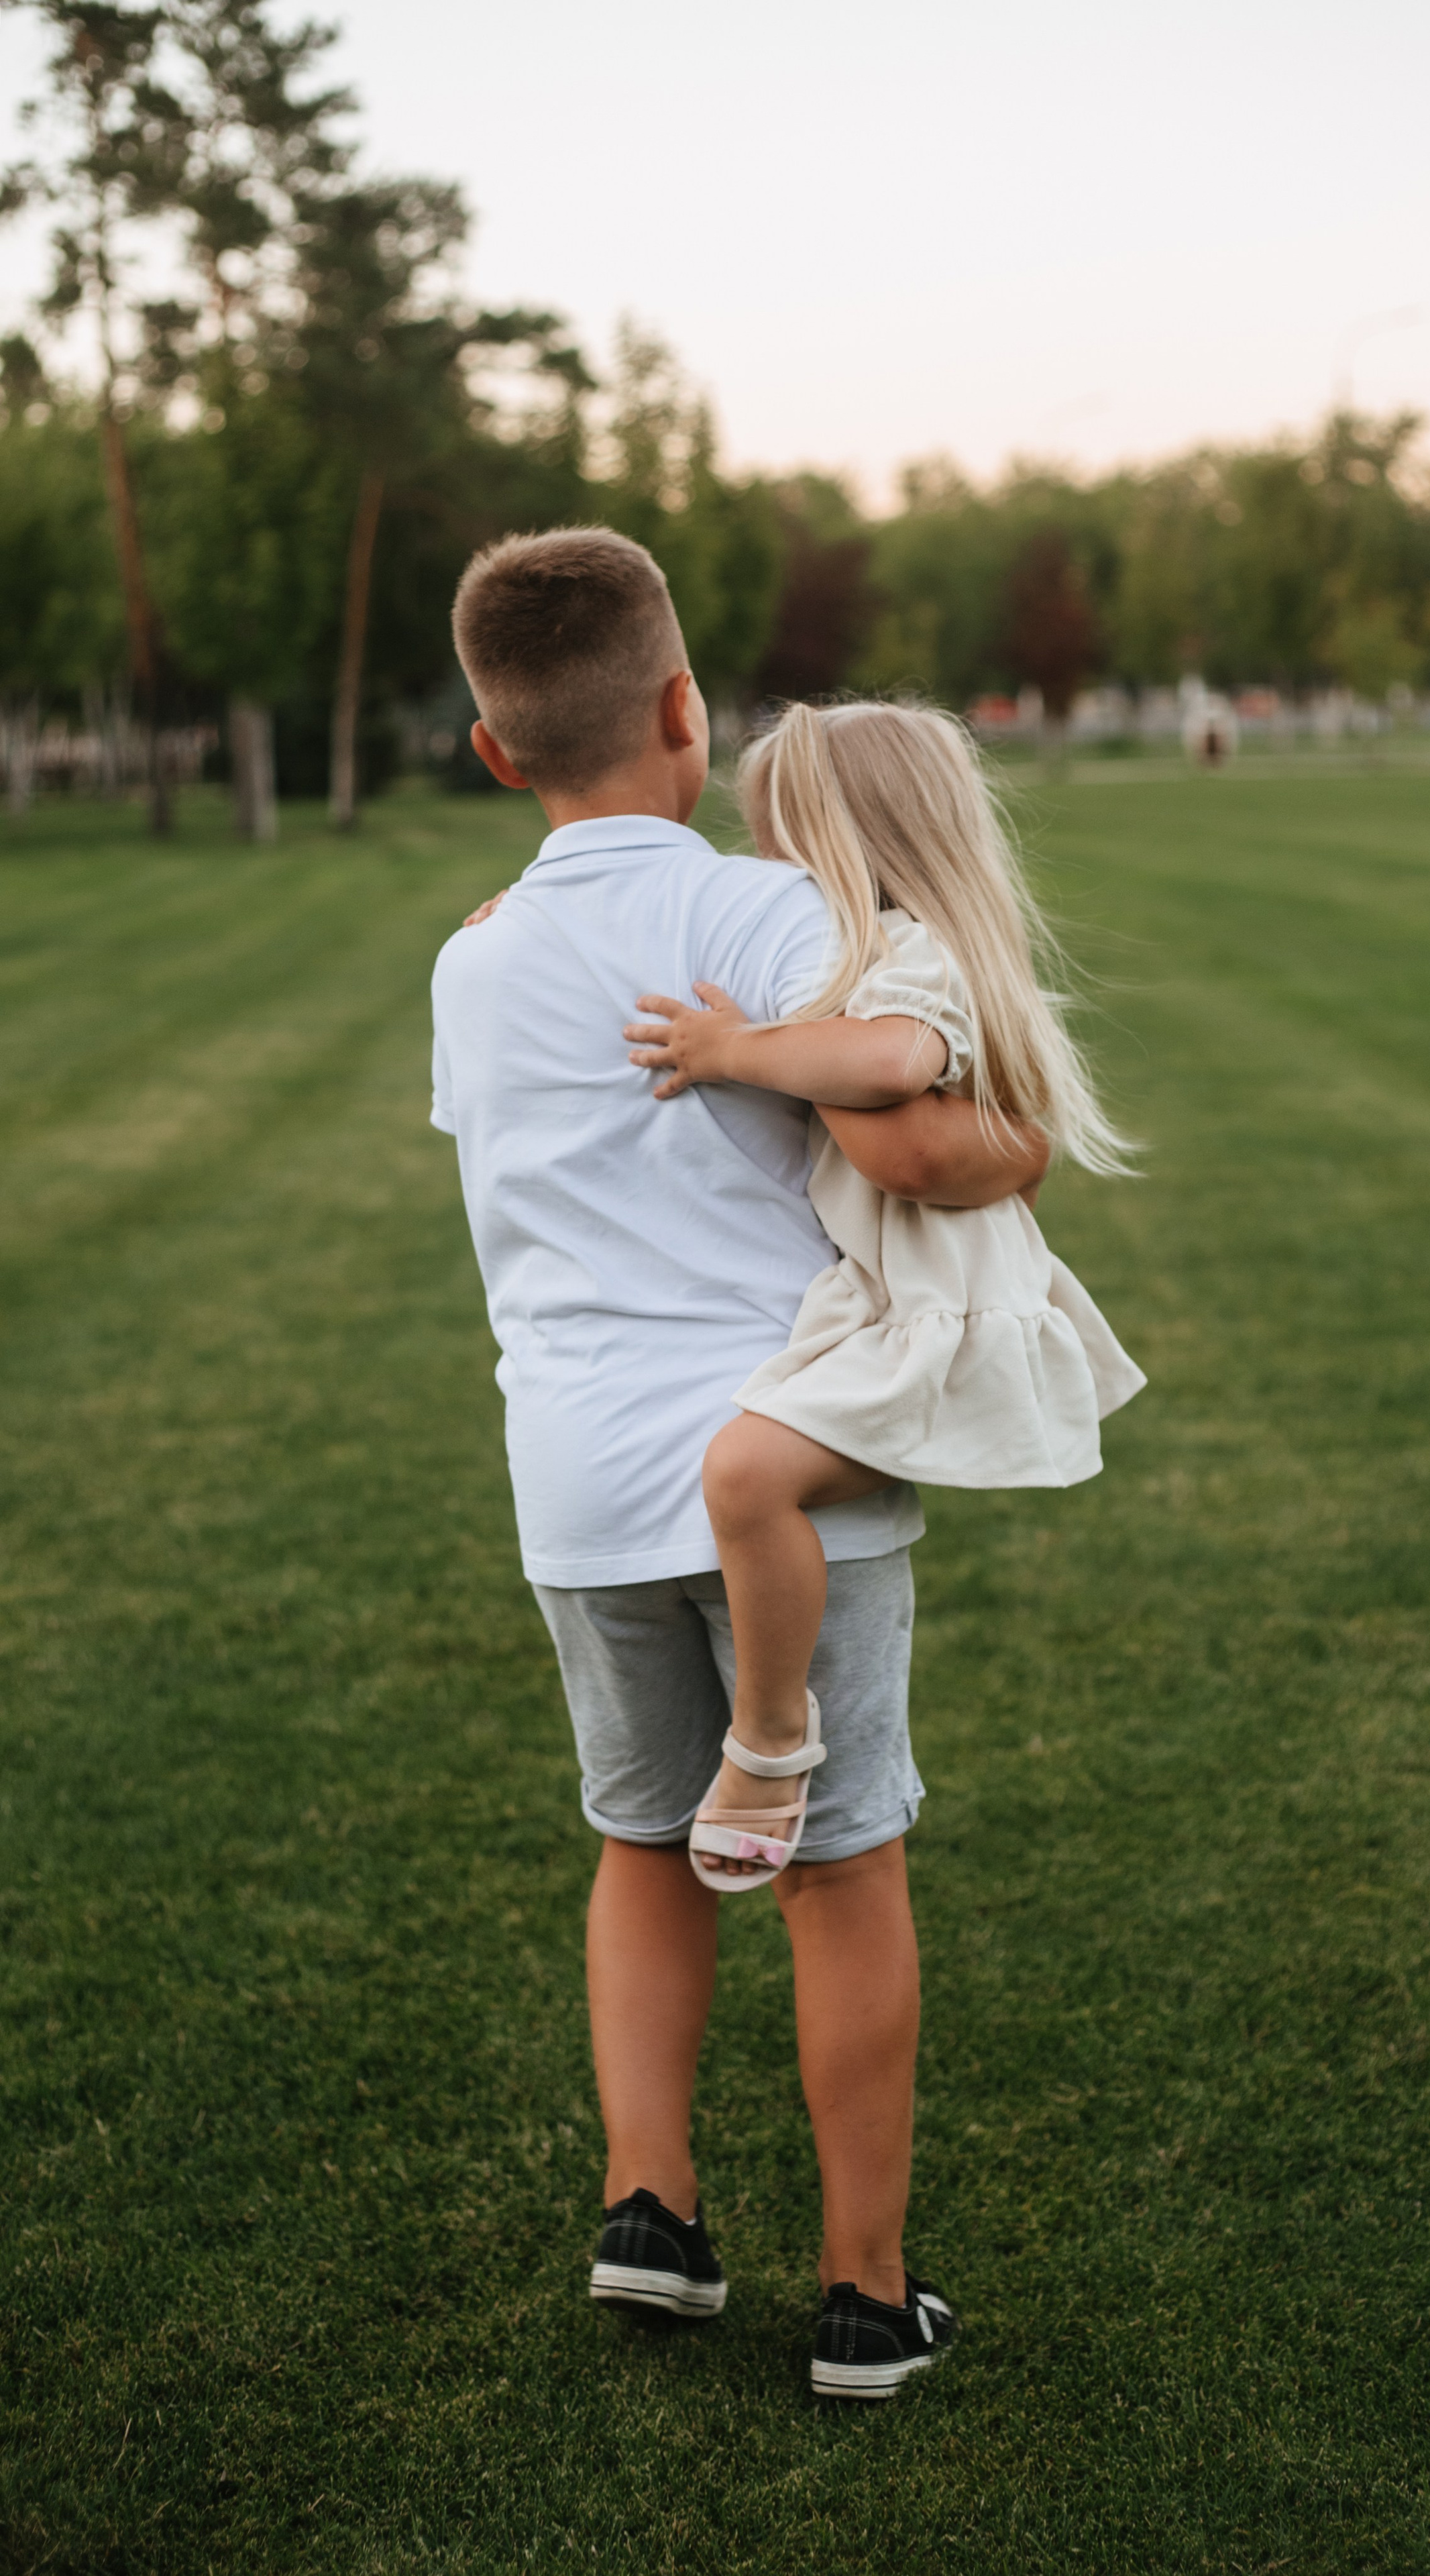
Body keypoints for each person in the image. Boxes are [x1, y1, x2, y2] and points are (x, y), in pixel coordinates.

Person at [431, 527, 1042, 2400]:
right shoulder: (769, 919)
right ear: (688, 711)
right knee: (837, 1867)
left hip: (574, 1484)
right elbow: (923, 1129)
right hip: (787, 1454)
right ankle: (865, 2294)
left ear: (494, 750)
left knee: (641, 1842)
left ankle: (652, 2210)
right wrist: (1024, 1141)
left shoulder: (472, 962)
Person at [622, 703, 1144, 1894]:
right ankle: (771, 1733)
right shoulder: (882, 951)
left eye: (783, 847)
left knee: (746, 1476)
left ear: (850, 844)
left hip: (940, 1320)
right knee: (747, 1472)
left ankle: (770, 1743)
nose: (768, 875)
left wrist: (731, 1050)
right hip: (896, 1300)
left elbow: (893, 1066)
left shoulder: (914, 954)